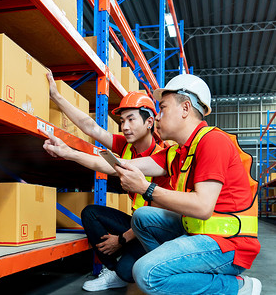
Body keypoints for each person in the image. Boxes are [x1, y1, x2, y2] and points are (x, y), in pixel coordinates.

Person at [111, 74, 261, 294]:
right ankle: (176, 278)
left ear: (185, 108)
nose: (158, 117)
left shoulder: (213, 142)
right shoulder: (179, 151)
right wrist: (68, 152)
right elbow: (122, 164)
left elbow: (202, 207)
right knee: (141, 217)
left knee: (145, 273)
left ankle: (237, 287)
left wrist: (146, 189)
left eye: (162, 108)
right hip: (200, 234)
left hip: (229, 245)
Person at [43, 70, 170, 292]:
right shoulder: (126, 146)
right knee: (91, 213)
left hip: (154, 231)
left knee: (129, 269)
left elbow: (108, 166)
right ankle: (113, 270)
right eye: (122, 121)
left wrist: (120, 240)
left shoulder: (162, 157)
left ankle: (124, 267)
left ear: (149, 121)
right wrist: (56, 96)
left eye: (131, 119)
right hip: (135, 223)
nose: (125, 127)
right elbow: (91, 128)